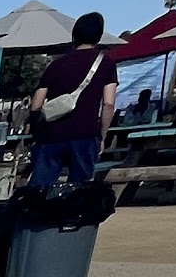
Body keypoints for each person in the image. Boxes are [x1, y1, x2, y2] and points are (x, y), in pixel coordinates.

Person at [27, 12, 120, 191]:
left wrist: (36, 131)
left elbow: (36, 104)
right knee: (80, 191)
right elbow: (108, 104)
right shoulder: (106, 63)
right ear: (99, 34)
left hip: (52, 135)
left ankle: (35, 208)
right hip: (86, 133)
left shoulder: (56, 64)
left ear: (74, 34)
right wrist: (102, 136)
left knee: (39, 190)